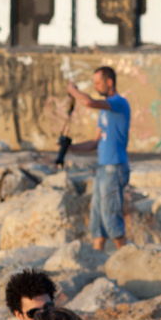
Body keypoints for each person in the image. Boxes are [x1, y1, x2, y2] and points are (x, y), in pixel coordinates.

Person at [62, 66, 131, 251]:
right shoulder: (105, 110)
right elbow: (94, 143)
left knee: (111, 216)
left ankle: (127, 257)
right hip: (102, 168)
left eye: (98, 83)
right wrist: (69, 147)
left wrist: (73, 91)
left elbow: (88, 102)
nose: (96, 87)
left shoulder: (119, 103)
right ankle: (97, 260)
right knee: (97, 220)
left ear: (110, 82)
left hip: (115, 168)